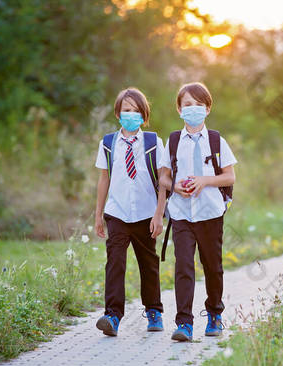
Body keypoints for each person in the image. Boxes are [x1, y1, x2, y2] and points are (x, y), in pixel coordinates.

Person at [154, 82, 237, 342]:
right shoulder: (174, 140)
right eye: (187, 104)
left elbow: (230, 177)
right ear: (179, 109)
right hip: (181, 214)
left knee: (213, 267)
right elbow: (164, 178)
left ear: (208, 108)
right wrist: (175, 186)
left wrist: (204, 181)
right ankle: (184, 323)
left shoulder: (216, 140)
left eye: (198, 105)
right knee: (184, 267)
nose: (193, 109)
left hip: (210, 213)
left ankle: (214, 315)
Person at [93, 87, 165, 336]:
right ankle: (112, 315)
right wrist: (98, 215)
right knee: (115, 263)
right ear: (118, 113)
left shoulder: (154, 142)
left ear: (144, 116)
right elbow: (104, 180)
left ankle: (154, 311)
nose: (130, 115)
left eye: (136, 111)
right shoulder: (108, 143)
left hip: (146, 213)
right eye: (126, 110)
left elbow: (164, 181)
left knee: (149, 263)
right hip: (117, 212)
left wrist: (159, 214)